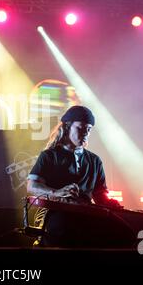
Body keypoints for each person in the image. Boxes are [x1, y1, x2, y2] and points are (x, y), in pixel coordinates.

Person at [27, 105, 133, 248]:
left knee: (126, 233)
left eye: (88, 130)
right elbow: (32, 186)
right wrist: (56, 192)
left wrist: (110, 203)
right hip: (58, 213)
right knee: (64, 232)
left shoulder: (95, 161)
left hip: (87, 214)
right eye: (81, 128)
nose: (85, 133)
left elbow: (100, 196)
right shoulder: (50, 156)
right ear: (67, 127)